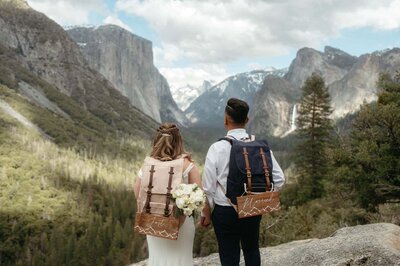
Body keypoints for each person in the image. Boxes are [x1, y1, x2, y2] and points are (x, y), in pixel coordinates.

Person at [201, 98, 285, 266]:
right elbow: (279, 179)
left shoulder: (216, 148)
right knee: (252, 249)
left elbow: (208, 188)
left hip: (225, 211)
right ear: (247, 120)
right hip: (252, 207)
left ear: (225, 120)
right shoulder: (259, 146)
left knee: (228, 254)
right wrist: (260, 195)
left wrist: (206, 213)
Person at [133, 123, 202, 266]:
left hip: (154, 222)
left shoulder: (148, 165)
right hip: (180, 224)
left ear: (156, 141)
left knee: (158, 260)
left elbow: (137, 192)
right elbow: (199, 196)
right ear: (179, 141)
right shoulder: (187, 165)